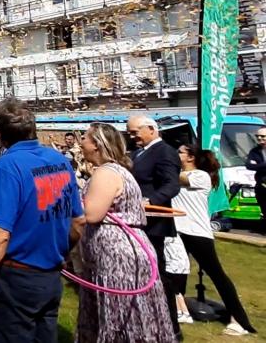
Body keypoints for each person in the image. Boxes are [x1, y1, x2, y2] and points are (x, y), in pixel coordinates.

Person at [0, 98, 85, 343]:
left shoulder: (8, 165)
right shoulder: (59, 161)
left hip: (16, 281)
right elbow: (78, 222)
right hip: (50, 278)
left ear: (2, 135)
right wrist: (62, 254)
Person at [75, 122, 174, 343]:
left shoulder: (106, 173)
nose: (81, 143)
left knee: (120, 317)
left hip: (117, 257)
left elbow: (91, 214)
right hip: (115, 254)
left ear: (97, 145)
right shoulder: (116, 171)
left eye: (85, 138)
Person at [173, 144, 256, 336]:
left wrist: (161, 161)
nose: (176, 155)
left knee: (217, 275)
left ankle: (239, 320)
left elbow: (178, 177)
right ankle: (180, 311)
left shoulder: (200, 176)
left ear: (191, 157)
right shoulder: (175, 174)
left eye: (179, 152)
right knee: (176, 273)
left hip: (197, 232)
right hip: (177, 231)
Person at [126, 115, 181, 339]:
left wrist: (150, 201)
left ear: (151, 129)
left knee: (157, 273)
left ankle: (171, 326)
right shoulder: (139, 152)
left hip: (154, 221)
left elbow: (172, 184)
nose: (132, 137)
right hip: (138, 220)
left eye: (134, 132)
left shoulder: (165, 151)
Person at [245, 128, 266, 234]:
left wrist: (258, 166)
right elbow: (249, 165)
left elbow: (254, 166)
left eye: (263, 136)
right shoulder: (254, 151)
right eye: (258, 136)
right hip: (261, 183)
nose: (259, 138)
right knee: (263, 206)